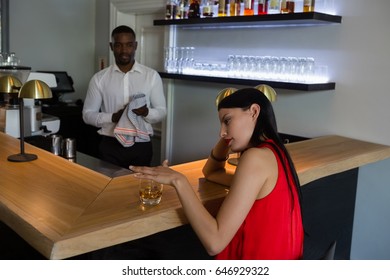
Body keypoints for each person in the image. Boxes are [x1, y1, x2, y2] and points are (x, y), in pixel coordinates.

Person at [130, 87, 304, 260]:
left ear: (254, 112)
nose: (221, 132)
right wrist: (228, 136)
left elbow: (215, 242)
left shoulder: (255, 158)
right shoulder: (275, 152)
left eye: (227, 121)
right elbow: (211, 172)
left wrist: (178, 180)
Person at [83, 25, 166, 168]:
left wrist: (146, 112)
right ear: (111, 47)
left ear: (135, 46)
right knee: (109, 188)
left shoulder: (151, 76)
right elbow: (87, 115)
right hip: (110, 145)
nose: (124, 51)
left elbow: (162, 111)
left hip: (141, 145)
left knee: (139, 188)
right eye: (118, 45)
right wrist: (113, 117)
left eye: (129, 45)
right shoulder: (99, 79)